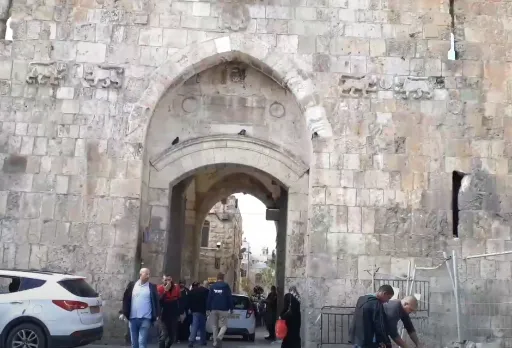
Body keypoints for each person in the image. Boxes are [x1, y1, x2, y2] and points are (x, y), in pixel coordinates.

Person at [120, 268, 160, 348]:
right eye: (146, 274)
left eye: (149, 274)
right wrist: (123, 312)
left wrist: (157, 314)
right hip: (133, 318)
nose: (148, 276)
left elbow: (156, 301)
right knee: (134, 343)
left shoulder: (152, 287)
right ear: (141, 274)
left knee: (142, 342)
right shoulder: (132, 285)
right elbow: (126, 299)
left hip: (145, 318)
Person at [207, 272, 234, 348]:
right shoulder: (226, 286)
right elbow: (229, 297)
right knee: (224, 326)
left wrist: (207, 308)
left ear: (217, 277)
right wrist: (231, 308)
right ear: (223, 278)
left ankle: (215, 343)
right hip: (223, 309)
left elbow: (209, 298)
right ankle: (219, 337)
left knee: (214, 326)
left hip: (214, 309)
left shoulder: (213, 286)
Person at [157, 274, 181, 348]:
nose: (168, 282)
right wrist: (165, 291)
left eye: (169, 280)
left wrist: (180, 312)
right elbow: (159, 301)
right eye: (166, 280)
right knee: (164, 334)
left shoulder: (176, 288)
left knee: (172, 337)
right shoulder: (159, 288)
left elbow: (179, 300)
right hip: (163, 314)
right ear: (163, 280)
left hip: (173, 314)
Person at [188, 281, 209, 347]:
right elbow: (208, 300)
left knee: (194, 326)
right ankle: (203, 340)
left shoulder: (191, 292)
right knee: (202, 326)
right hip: (202, 310)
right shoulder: (205, 291)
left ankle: (191, 341)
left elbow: (189, 301)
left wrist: (190, 309)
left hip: (194, 311)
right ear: (200, 284)